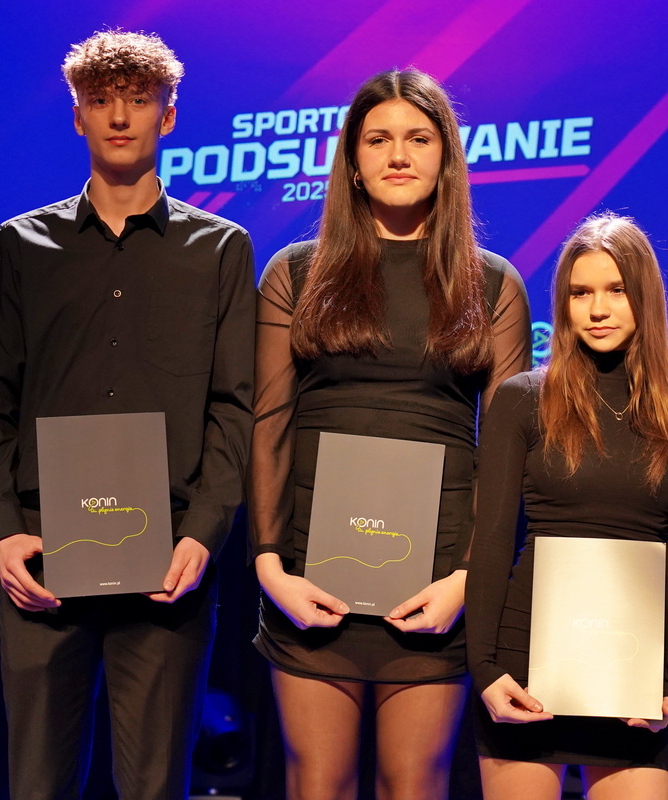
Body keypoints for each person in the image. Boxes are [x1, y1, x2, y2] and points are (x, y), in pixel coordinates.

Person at [0, 31, 254, 800]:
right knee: (37, 783)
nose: (120, 116)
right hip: (43, 550)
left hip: (170, 559)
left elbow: (234, 408)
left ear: (169, 116)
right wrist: (2, 529)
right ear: (77, 117)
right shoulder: (23, 244)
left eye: (138, 100)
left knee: (154, 785)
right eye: (100, 100)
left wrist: (203, 533)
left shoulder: (221, 249)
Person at [250, 68, 530, 800]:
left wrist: (467, 580)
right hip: (310, 577)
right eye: (377, 140)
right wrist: (270, 566)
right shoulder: (295, 273)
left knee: (414, 785)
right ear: (352, 159)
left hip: (435, 583)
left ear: (447, 158)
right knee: (318, 785)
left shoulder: (493, 284)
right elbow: (269, 425)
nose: (398, 155)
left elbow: (505, 455)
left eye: (418, 139)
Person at [465, 213, 668, 800]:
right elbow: (493, 540)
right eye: (581, 293)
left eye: (616, 290)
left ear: (645, 297)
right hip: (527, 665)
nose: (597, 309)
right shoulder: (523, 400)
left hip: (632, 673)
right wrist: (486, 670)